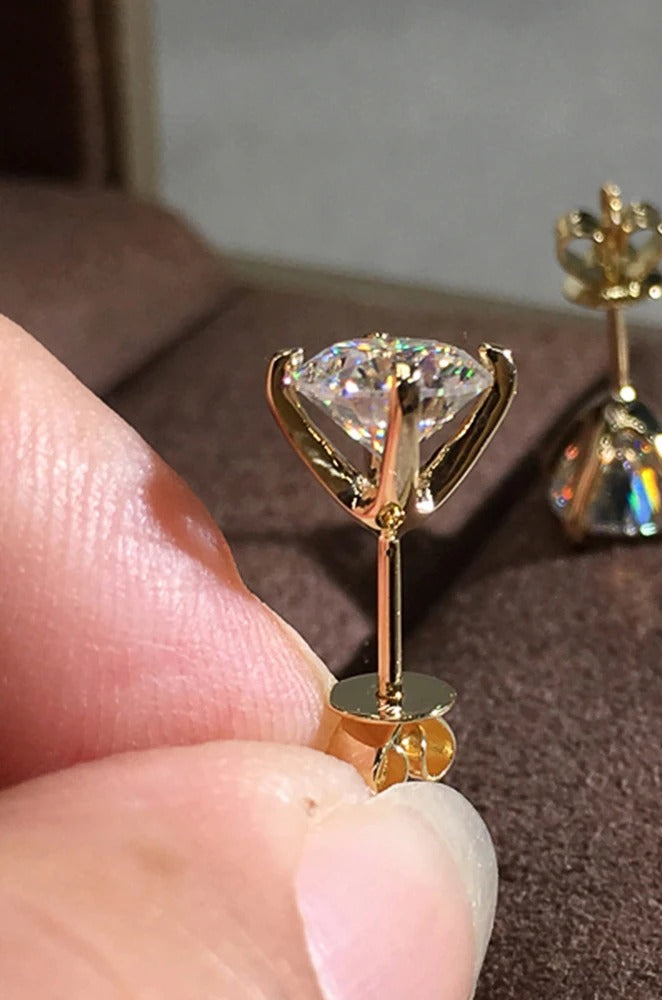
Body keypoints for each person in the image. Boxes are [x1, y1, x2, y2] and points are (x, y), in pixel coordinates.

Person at [0, 316, 496, 999]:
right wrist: (289, 395)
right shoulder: (381, 494)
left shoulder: (403, 493)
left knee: (391, 530)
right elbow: (354, 461)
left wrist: (491, 394)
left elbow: (437, 464)